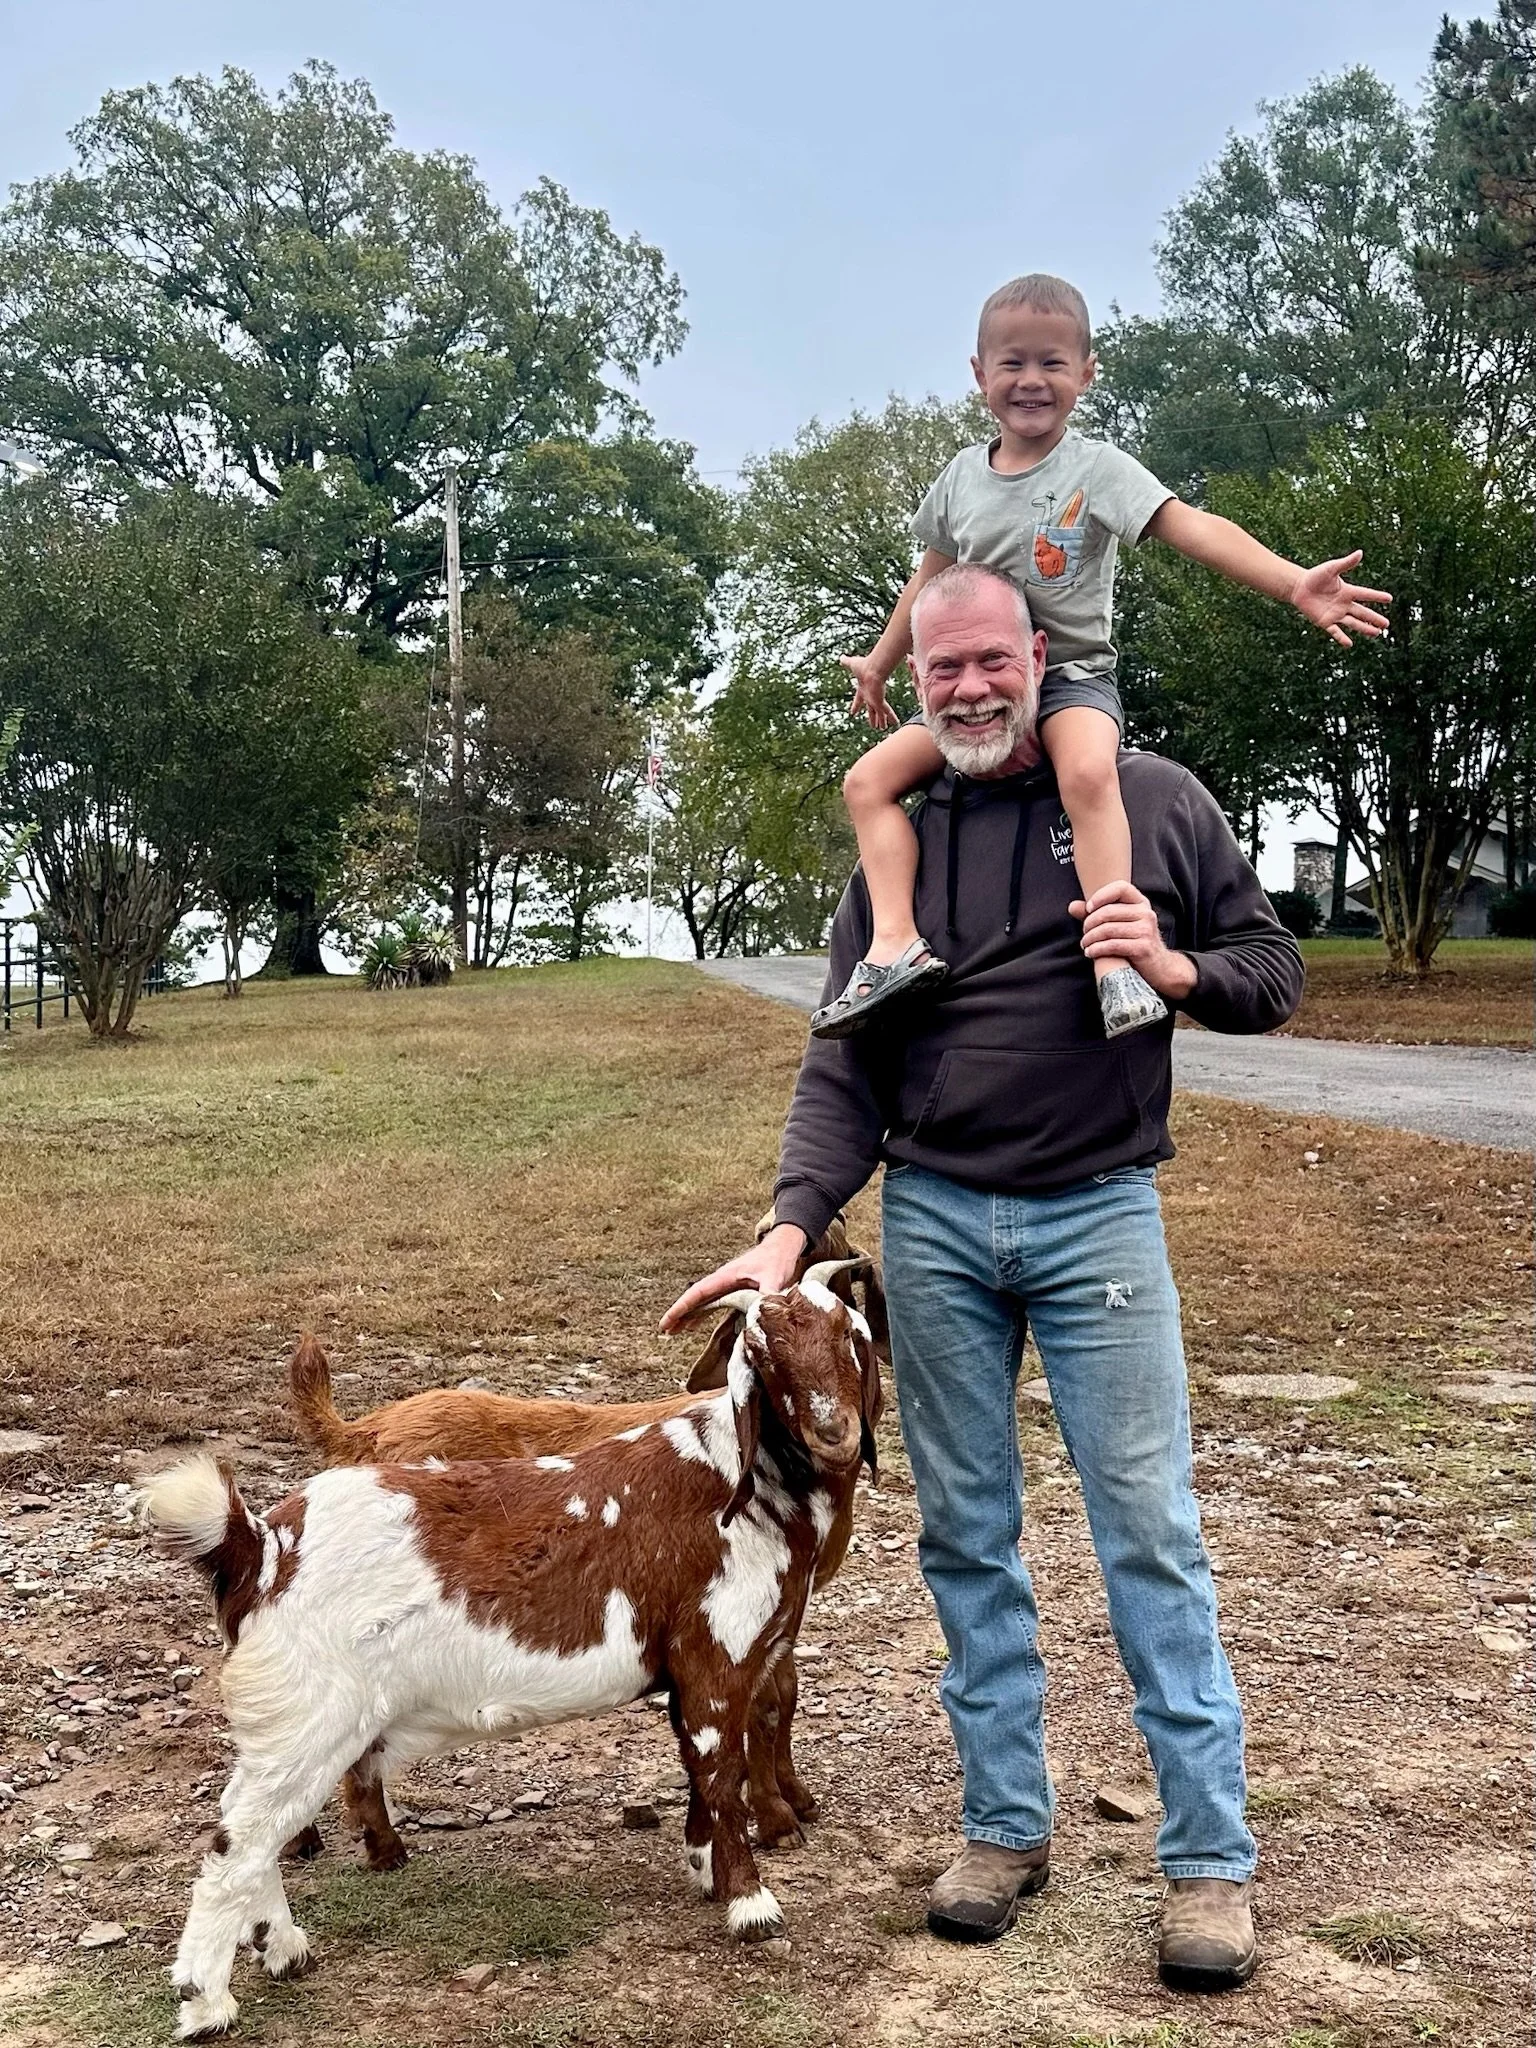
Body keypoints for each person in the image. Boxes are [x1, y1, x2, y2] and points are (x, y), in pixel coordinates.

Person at [663, 562, 1305, 1989]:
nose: (967, 687)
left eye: (991, 661)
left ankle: (1208, 1860)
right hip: (937, 1225)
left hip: (1100, 1217)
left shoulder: (1152, 799)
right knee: (965, 1533)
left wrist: (1176, 968)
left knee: (1149, 1531)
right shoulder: (898, 838)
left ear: (1040, 657)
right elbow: (845, 1058)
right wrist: (789, 1227)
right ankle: (1005, 1828)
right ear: (918, 677)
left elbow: (1271, 969)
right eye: (941, 666)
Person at [812, 272, 1386, 1042]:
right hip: (981, 690)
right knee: (867, 782)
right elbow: (928, 582)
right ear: (980, 375)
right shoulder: (958, 481)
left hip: (1071, 679)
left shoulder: (1098, 470)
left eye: (1052, 362)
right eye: (1012, 362)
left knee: (1086, 774)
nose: (1031, 379)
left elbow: (1192, 526)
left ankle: (1113, 961)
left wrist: (1291, 584)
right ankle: (894, 947)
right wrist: (884, 663)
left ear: (1086, 373)